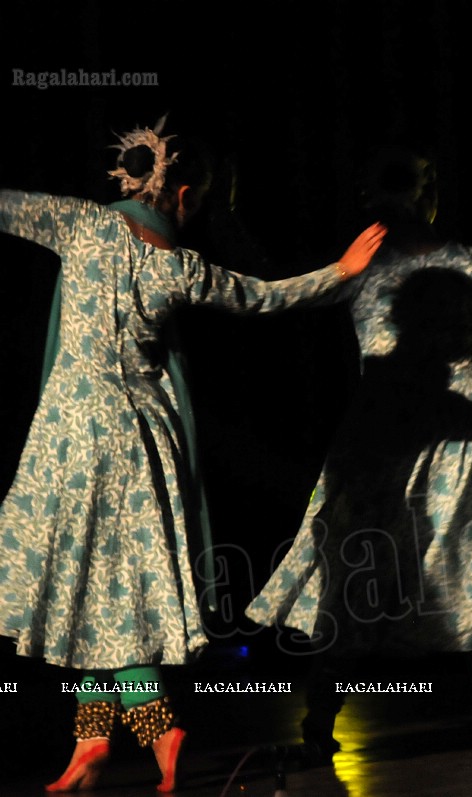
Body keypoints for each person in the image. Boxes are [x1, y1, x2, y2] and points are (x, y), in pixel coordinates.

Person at [0, 117, 385, 792]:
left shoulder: (78, 223)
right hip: (140, 438)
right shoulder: (178, 267)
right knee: (103, 593)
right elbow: (266, 297)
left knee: (94, 590)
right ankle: (91, 742)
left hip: (75, 430)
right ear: (183, 197)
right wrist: (341, 271)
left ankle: (155, 726)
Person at [245, 147, 472, 761]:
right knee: (358, 568)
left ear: (429, 197)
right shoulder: (360, 264)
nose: (405, 203)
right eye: (394, 190)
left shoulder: (464, 261)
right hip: (387, 426)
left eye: (413, 189)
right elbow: (281, 293)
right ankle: (319, 720)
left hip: (464, 430)